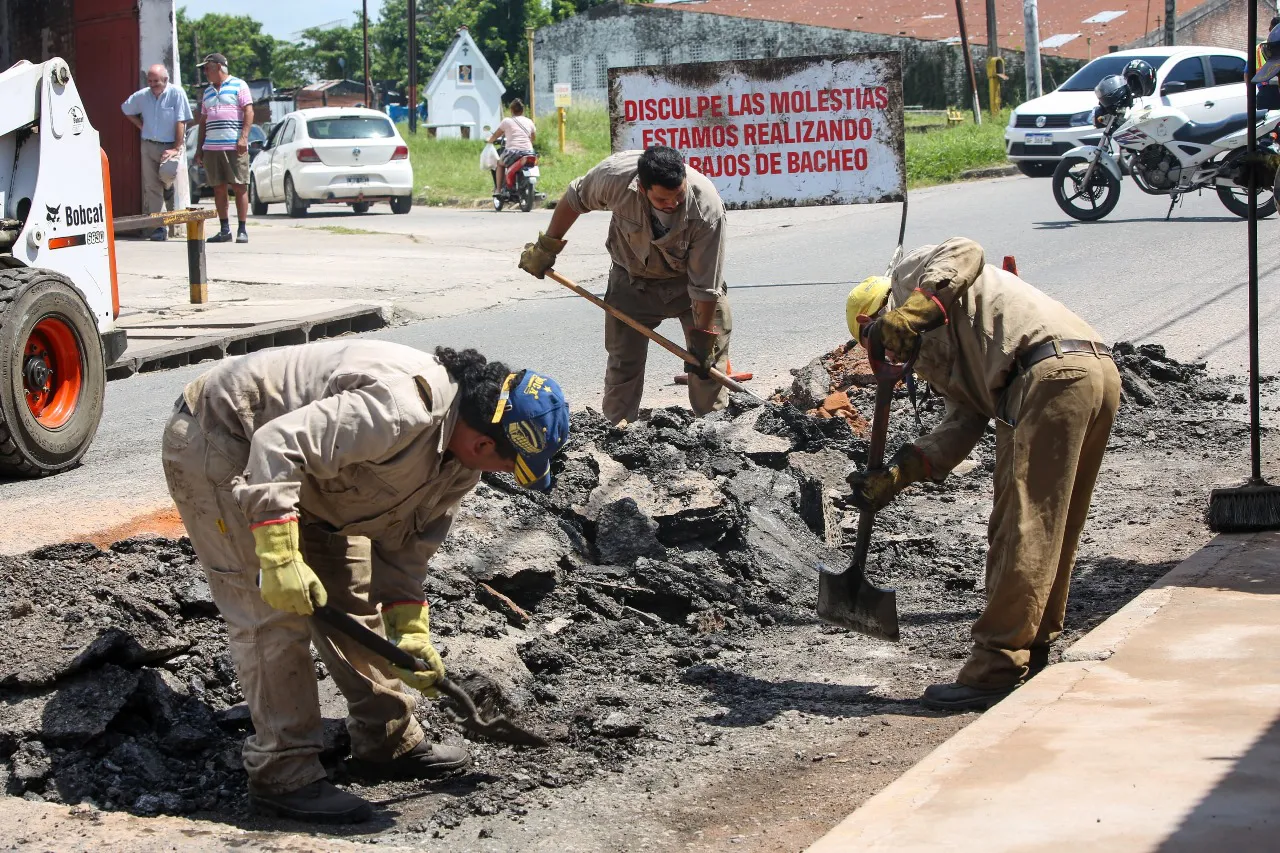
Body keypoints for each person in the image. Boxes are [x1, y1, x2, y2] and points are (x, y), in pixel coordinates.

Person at [161, 340, 570, 823]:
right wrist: (278, 553)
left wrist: (410, 631)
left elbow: (405, 545)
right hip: (226, 438)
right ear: (483, 443)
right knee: (271, 614)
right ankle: (282, 773)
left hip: (315, 477)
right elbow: (276, 444)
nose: (503, 473)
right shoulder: (401, 409)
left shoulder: (460, 467)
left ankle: (387, 740)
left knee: (350, 596)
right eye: (509, 463)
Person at [844, 238, 1120, 712]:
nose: (893, 353)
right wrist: (897, 474)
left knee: (1020, 528)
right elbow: (963, 421)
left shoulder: (911, 280)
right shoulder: (945, 354)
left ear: (881, 313)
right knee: (1051, 527)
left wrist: (912, 312)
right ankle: (1031, 647)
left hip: (1047, 374)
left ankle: (995, 667)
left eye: (882, 337)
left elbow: (965, 250)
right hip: (1086, 371)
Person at [518, 146, 732, 425]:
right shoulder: (614, 177)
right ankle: (616, 433)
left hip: (688, 285)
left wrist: (702, 345)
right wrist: (547, 247)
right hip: (632, 281)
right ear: (642, 189)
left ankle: (714, 431)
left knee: (707, 366)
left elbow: (704, 288)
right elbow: (574, 198)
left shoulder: (707, 208)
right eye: (663, 199)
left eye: (678, 195)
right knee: (623, 362)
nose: (673, 204)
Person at [120, 64, 192, 241]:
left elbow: (181, 121)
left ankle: (168, 188)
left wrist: (176, 147)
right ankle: (159, 228)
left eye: (156, 81)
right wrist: (140, 125)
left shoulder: (176, 93)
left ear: (165, 80)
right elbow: (125, 109)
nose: (153, 85)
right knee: (152, 187)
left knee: (167, 176)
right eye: (150, 81)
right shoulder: (143, 96)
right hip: (149, 145)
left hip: (170, 145)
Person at [195, 53, 253, 244]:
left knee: (239, 187)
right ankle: (224, 229)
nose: (205, 72)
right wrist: (199, 149)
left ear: (219, 67)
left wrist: (244, 137)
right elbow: (203, 122)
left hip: (234, 146)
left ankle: (242, 229)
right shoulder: (208, 92)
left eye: (207, 68)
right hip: (212, 148)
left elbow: (248, 111)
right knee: (218, 189)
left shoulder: (239, 85)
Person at [488, 99, 536, 193]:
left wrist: (489, 141)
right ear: (523, 110)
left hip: (513, 152)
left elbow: (496, 135)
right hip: (529, 152)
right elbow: (533, 137)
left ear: (511, 110)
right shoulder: (529, 121)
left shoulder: (507, 121)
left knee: (499, 163)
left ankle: (498, 189)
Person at [1256, 18, 1280, 111]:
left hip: (1264, 94)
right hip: (1271, 94)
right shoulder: (1271, 47)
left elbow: (1247, 74)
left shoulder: (1258, 48)